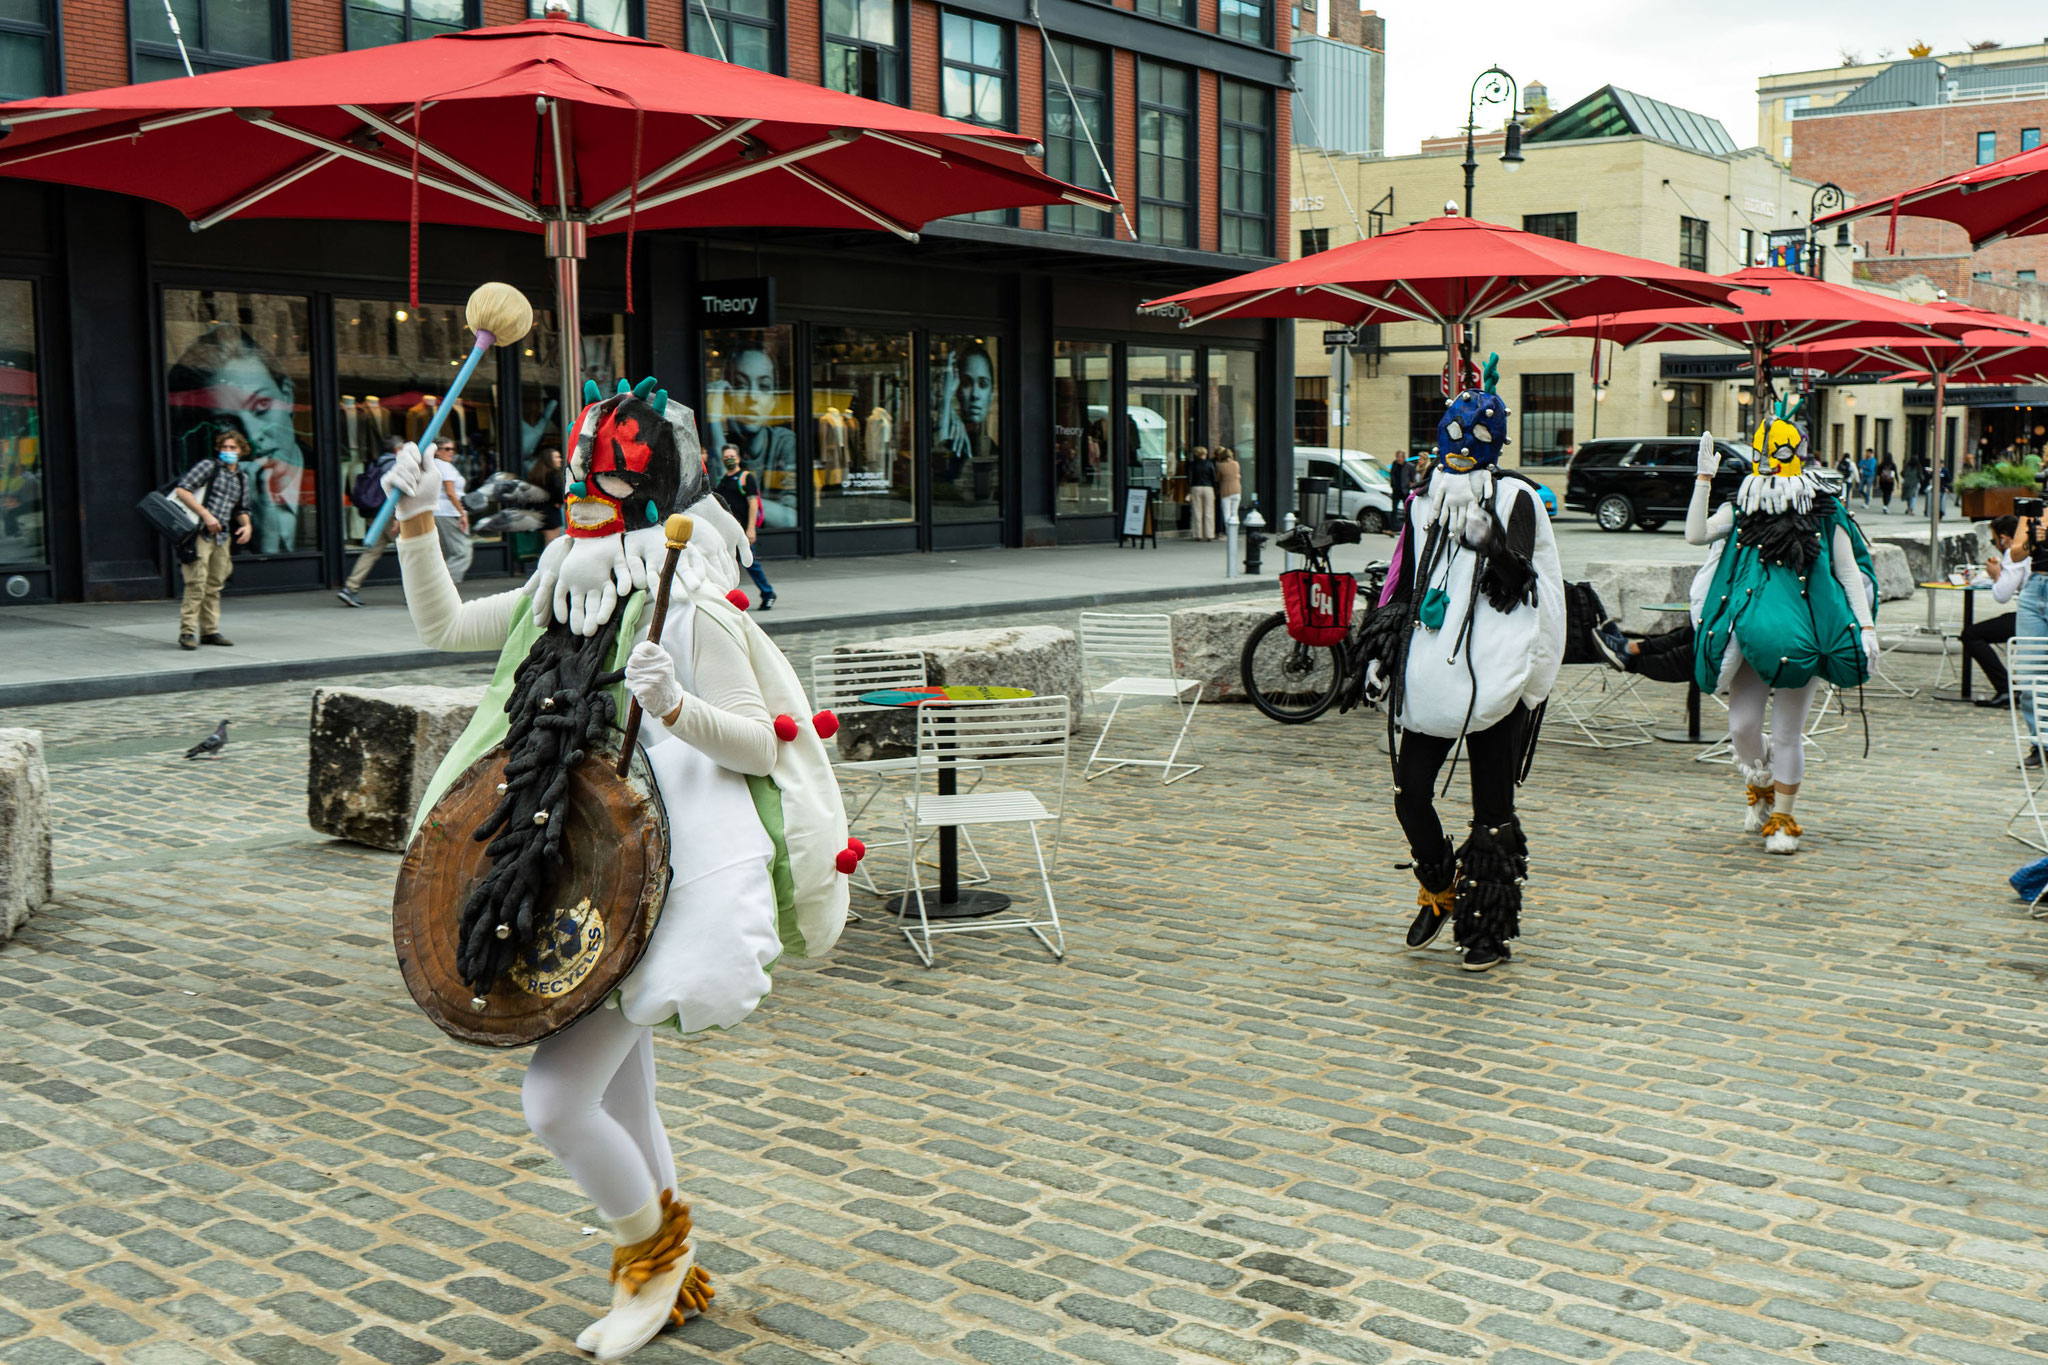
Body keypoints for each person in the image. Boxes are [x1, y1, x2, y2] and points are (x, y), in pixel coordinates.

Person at [384, 376, 846, 1361]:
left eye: (604, 476)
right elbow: (443, 625)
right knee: (623, 1098)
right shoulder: (561, 591)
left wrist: (676, 703)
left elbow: (762, 747)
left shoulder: (691, 609)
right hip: (559, 873)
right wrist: (419, 520)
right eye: (575, 471)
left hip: (651, 887)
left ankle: (652, 1260)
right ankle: (664, 1271)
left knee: (554, 1102)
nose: (579, 491)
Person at [1360, 358, 1565, 973]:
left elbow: (1523, 584)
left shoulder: (1518, 499)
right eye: (1451, 434)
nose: (1458, 449)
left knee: (1492, 810)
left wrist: (1493, 544)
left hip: (1495, 673)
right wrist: (1378, 652)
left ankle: (1488, 930)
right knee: (1410, 795)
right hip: (1430, 669)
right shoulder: (1424, 504)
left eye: (1473, 440)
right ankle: (1441, 886)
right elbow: (1401, 586)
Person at [1688, 409, 1877, 854]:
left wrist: (1866, 626)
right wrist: (1702, 479)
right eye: (1762, 455)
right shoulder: (1740, 511)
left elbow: (1848, 574)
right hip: (1748, 636)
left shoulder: (1825, 513)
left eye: (1781, 454)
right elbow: (1696, 535)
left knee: (1788, 732)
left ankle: (1783, 817)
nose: (1771, 464)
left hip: (1805, 638)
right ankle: (1764, 782)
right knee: (1742, 727)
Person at [172, 430, 253, 649]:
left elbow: (242, 508)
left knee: (215, 584)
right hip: (199, 532)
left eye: (233, 448)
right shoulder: (209, 466)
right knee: (196, 582)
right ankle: (187, 632)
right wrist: (206, 515)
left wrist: (246, 525)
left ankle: (209, 631)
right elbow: (182, 490)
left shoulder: (241, 478)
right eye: (224, 447)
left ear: (242, 451)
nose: (228, 452)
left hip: (222, 536)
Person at [1961, 514, 2024, 712]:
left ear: (2004, 538)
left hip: (2031, 616)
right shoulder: (2029, 551)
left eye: (1994, 540)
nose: (1995, 544)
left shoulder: (2015, 554)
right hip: (2031, 612)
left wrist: (1997, 574)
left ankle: (2006, 689)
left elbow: (2001, 595)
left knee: (1971, 634)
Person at [338, 435, 405, 607]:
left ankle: (350, 588)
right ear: (398, 450)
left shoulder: (377, 463)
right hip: (390, 515)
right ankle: (413, 595)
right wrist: (398, 517)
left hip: (376, 514)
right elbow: (397, 493)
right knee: (410, 553)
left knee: (372, 552)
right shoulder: (395, 465)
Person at [715, 444, 775, 609]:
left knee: (751, 563)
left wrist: (751, 529)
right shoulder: (723, 480)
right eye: (726, 457)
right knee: (728, 565)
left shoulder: (746, 478)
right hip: (727, 532)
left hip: (742, 531)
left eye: (732, 456)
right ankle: (729, 598)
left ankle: (768, 593)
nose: (729, 459)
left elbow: (753, 504)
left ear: (739, 458)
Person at [431, 437, 473, 584]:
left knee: (441, 554)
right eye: (447, 449)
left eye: (453, 449)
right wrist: (462, 513)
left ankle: (429, 589)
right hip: (448, 513)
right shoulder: (445, 467)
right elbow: (450, 492)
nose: (451, 452)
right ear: (437, 451)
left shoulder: (432, 465)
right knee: (462, 552)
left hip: (438, 512)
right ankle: (439, 587)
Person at [528, 443, 567, 544]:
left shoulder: (536, 475)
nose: (560, 459)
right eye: (557, 457)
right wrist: (559, 501)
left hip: (539, 512)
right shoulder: (553, 475)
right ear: (549, 460)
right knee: (553, 544)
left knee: (548, 542)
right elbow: (559, 492)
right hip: (551, 513)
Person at [1187, 444, 1218, 540]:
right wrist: (1215, 490)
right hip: (1208, 488)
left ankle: (1198, 534)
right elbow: (1214, 478)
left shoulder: (1192, 464)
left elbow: (1190, 478)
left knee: (1197, 512)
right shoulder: (1209, 464)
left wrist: (1189, 489)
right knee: (1209, 512)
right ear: (1204, 454)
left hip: (1196, 487)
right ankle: (1209, 534)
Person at [1215, 446, 1242, 536]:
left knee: (1227, 513)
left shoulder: (1220, 465)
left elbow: (1218, 478)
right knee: (1235, 512)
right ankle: (1235, 530)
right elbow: (1238, 475)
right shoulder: (1236, 464)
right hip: (1237, 489)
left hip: (1226, 490)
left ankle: (1229, 531)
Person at [1903, 451, 1923, 515]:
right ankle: (1911, 509)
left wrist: (1906, 478)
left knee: (1908, 496)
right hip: (1915, 484)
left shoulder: (1907, 466)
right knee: (1913, 496)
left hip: (1907, 483)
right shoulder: (1918, 467)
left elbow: (1902, 473)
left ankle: (1908, 508)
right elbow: (1920, 476)